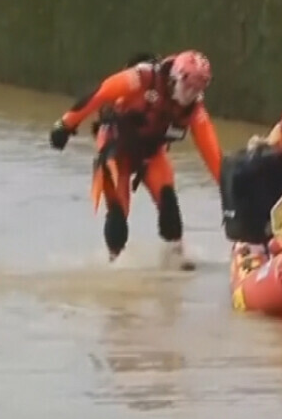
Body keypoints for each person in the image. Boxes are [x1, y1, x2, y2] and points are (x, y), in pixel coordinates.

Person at [52, 50, 222, 266]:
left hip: (151, 153)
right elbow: (99, 95)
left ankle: (177, 259)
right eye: (188, 86)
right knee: (117, 218)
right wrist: (66, 124)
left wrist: (230, 197)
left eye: (197, 89)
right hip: (116, 148)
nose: (190, 94)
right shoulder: (141, 79)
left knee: (169, 207)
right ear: (174, 78)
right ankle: (115, 266)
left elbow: (214, 157)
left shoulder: (194, 111)